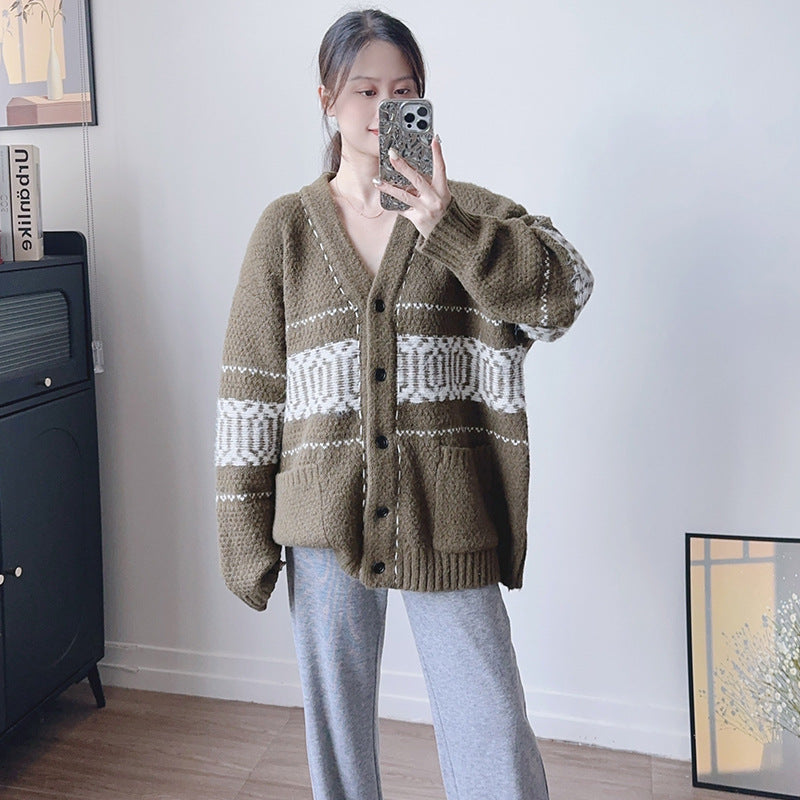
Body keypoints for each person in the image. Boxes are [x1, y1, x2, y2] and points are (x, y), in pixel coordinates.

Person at [215, 9, 593, 800]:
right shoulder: (285, 230)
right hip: (321, 516)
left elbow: (566, 293)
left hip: (447, 509)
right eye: (365, 90)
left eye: (404, 91)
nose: (383, 107)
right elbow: (251, 389)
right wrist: (243, 531)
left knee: (490, 721)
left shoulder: (466, 211)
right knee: (338, 732)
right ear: (327, 99)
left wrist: (446, 226)